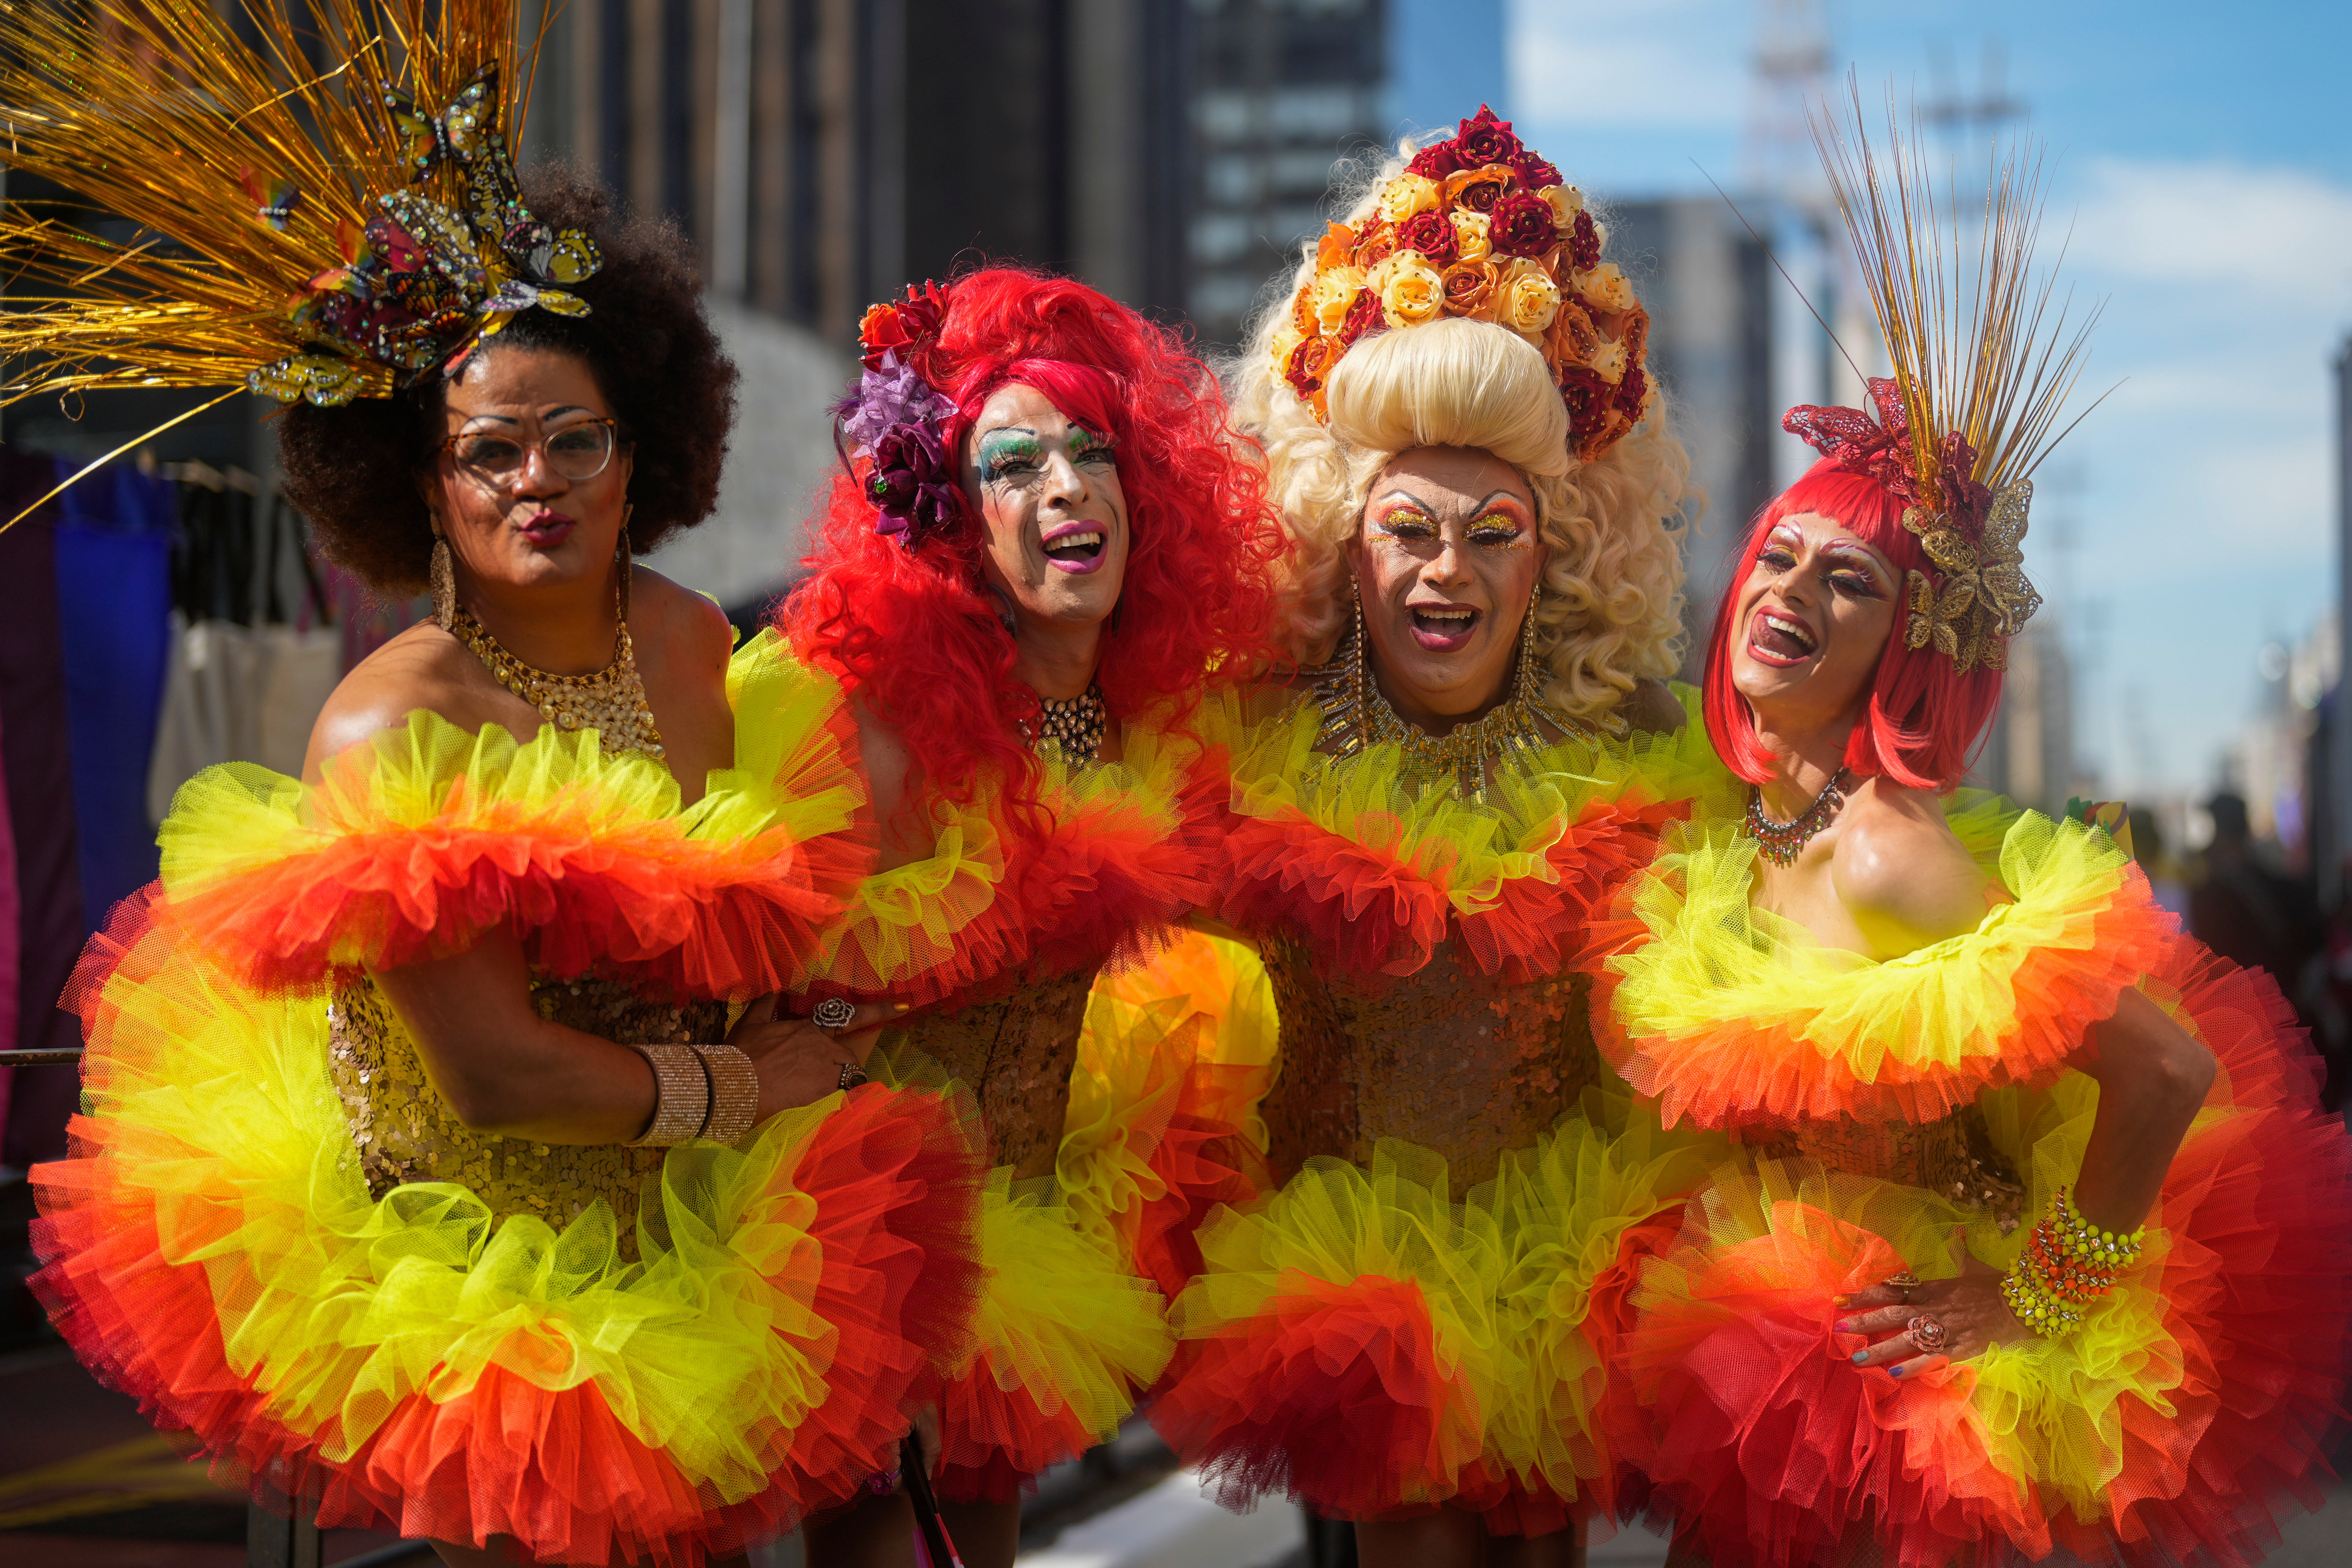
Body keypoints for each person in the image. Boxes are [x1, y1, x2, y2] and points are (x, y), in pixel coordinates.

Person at [13, 9, 980, 1565]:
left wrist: (826, 1017)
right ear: (419, 477)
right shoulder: (388, 733)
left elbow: (732, 934)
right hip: (483, 1291)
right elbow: (498, 1077)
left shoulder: (685, 643)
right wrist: (757, 1086)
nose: (539, 481)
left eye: (576, 441)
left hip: (691, 1234)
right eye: (492, 450)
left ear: (644, 449)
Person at [1582, 107, 2352, 1568]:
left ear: (1909, 643)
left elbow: (2168, 1065)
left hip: (1902, 1395)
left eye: (1851, 582)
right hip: (1770, 1354)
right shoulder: (1737, 830)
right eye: (1780, 558)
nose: (1792, 594)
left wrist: (2044, 1295)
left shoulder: (1887, 848)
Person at [1144, 109, 1733, 1567]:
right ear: (1347, 538)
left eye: (1494, 533)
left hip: (1570, 1284)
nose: (1446, 572)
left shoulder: (1640, 772)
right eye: (1412, 527)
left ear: (1561, 551)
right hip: (1349, 1307)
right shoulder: (1245, 763)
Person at [781, 267, 1290, 1567]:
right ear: (953, 522)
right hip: (860, 1239)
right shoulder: (884, 726)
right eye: (1014, 465)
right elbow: (782, 982)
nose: (1067, 488)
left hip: (1026, 1246)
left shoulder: (1152, 730)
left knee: (986, 1534)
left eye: (1093, 452)